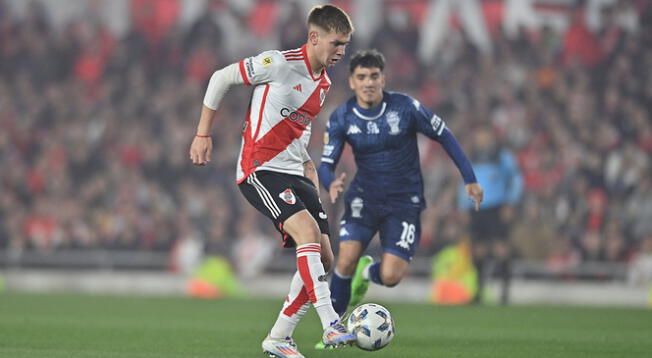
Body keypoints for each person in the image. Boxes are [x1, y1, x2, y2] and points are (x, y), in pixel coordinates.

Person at [188, 5, 356, 358]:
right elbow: (221, 77)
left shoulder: (323, 82)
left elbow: (298, 126)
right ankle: (331, 322)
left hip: (296, 170)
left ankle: (280, 337)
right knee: (307, 235)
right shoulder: (279, 63)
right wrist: (203, 134)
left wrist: (308, 161)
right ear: (314, 37)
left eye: (345, 45)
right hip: (260, 169)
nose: (341, 52)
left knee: (324, 257)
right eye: (336, 43)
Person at [316, 49, 483, 347]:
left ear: (383, 78)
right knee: (345, 259)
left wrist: (469, 178)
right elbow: (326, 164)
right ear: (352, 82)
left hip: (404, 202)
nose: (369, 82)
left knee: (391, 276)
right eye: (362, 77)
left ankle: (366, 273)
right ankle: (332, 330)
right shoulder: (342, 117)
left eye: (374, 76)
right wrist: (330, 183)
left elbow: (444, 134)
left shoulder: (405, 108)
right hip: (363, 198)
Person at [457, 125, 522, 305]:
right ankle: (478, 292)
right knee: (477, 249)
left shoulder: (501, 155)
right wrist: (463, 206)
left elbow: (516, 178)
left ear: (491, 136)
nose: (481, 139)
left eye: (484, 135)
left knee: (500, 248)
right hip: (476, 208)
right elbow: (464, 181)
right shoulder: (472, 156)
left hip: (496, 206)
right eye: (478, 136)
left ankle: (504, 292)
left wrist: (511, 202)